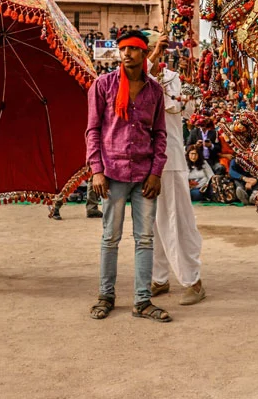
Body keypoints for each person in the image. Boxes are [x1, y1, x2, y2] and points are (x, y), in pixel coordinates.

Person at [86, 30, 171, 322]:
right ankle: (105, 296)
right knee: (110, 238)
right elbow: (92, 131)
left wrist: (156, 172)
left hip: (145, 174)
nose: (127, 54)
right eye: (123, 48)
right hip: (112, 173)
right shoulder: (102, 86)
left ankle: (142, 301)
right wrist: (97, 170)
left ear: (144, 54)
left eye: (133, 49)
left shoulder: (155, 91)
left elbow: (160, 134)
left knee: (144, 239)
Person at [147, 34, 206, 306]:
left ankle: (192, 280)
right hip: (143, 163)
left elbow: (184, 108)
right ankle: (159, 278)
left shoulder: (172, 79)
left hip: (169, 161)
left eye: (142, 51)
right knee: (151, 225)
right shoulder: (133, 78)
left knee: (175, 220)